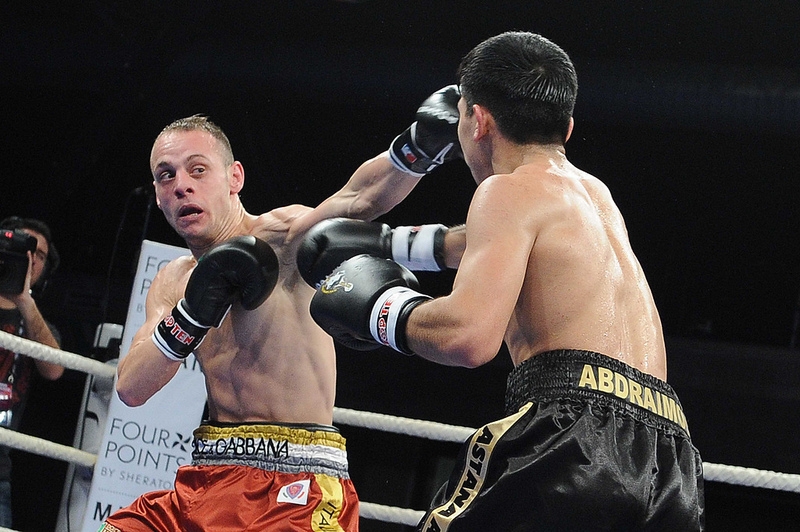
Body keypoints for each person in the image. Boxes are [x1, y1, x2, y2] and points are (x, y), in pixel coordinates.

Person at [302, 31, 705, 531]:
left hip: (575, 440)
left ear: (477, 121)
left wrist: (379, 308)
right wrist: (389, 244)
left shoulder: (504, 191)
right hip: (669, 457)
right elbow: (496, 244)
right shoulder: (594, 197)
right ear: (567, 128)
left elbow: (467, 336)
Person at [100, 111, 464, 532]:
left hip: (296, 485)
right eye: (166, 176)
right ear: (158, 194)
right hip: (206, 480)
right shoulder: (172, 282)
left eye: (197, 170)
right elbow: (131, 388)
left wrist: (417, 145)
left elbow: (359, 198)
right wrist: (191, 315)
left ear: (234, 177)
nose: (181, 184)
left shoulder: (282, 239)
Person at [0, 216, 65, 528]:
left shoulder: (39, 326)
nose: (30, 258)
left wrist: (24, 299)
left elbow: (54, 370)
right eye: (23, 247)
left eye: (39, 254)